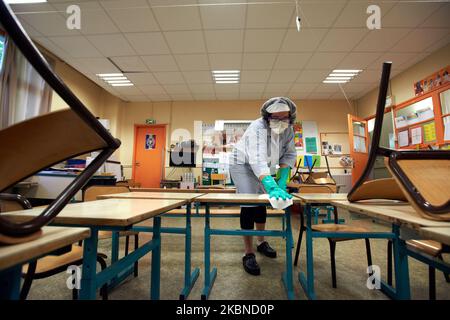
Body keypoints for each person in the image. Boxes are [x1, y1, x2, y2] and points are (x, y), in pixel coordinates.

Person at [229, 97, 297, 276]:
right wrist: (269, 183)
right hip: (242, 165)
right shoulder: (256, 128)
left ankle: (261, 242)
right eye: (276, 118)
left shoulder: (289, 130)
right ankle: (248, 252)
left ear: (291, 117)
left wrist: (282, 181)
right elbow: (256, 158)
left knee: (262, 202)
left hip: (264, 168)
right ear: (267, 117)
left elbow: (289, 155)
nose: (281, 122)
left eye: (285, 118)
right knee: (250, 203)